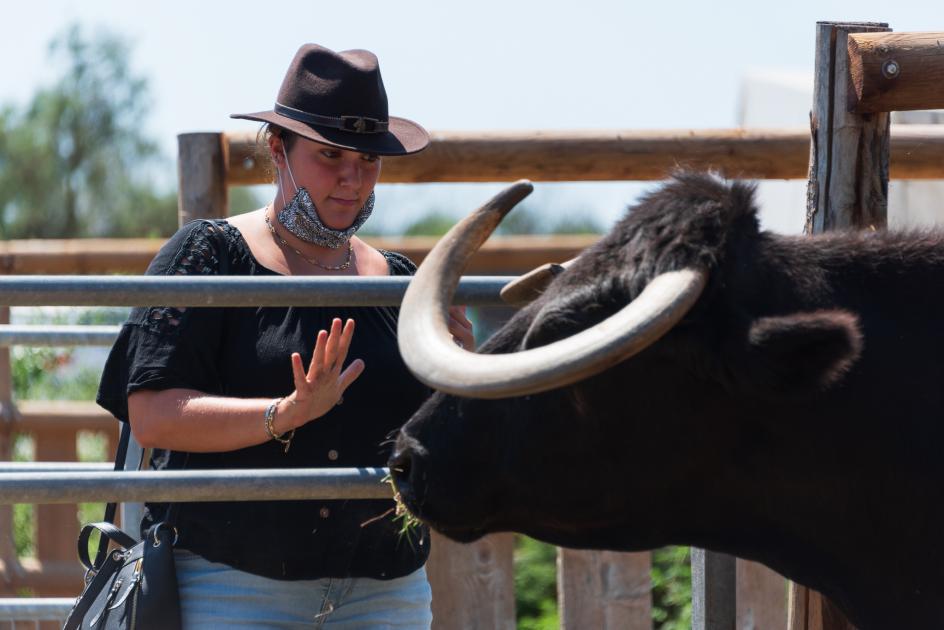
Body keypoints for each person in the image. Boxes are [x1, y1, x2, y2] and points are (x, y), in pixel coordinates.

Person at [96, 43, 474, 629]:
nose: (352, 180)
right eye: (330, 156)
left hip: (387, 590)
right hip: (231, 586)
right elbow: (151, 415)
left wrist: (456, 377)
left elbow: (425, 445)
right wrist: (287, 412)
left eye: (369, 161)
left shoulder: (403, 281)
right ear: (279, 148)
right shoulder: (207, 255)